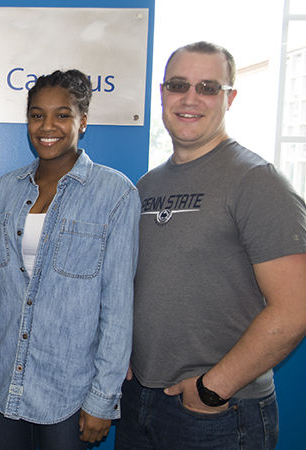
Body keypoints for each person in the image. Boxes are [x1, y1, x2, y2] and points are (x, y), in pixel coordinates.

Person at [115, 41, 306, 449]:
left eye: (207, 87)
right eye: (179, 85)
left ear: (229, 97)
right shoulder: (148, 185)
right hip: (140, 401)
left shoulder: (257, 181)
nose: (190, 98)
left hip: (218, 412)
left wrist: (212, 389)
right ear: (163, 93)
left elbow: (295, 309)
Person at [0, 69, 140, 449]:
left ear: (83, 121)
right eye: (36, 114)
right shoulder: (5, 191)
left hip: (70, 394)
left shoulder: (116, 193)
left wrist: (103, 399)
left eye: (62, 115)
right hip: (2, 382)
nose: (48, 126)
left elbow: (117, 307)